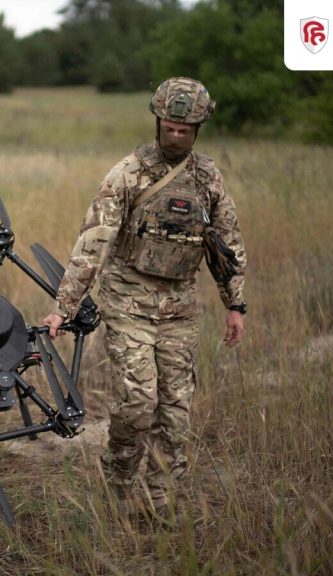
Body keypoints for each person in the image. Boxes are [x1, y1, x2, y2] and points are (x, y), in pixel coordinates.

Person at [42, 77, 248, 521]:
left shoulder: (207, 178)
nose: (176, 136)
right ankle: (117, 484)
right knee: (138, 403)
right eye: (169, 127)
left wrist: (235, 304)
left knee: (175, 411)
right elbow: (94, 242)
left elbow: (227, 242)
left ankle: (163, 502)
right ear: (157, 122)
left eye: (184, 130)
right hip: (128, 300)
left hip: (179, 307)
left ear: (198, 129)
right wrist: (64, 307)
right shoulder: (127, 174)